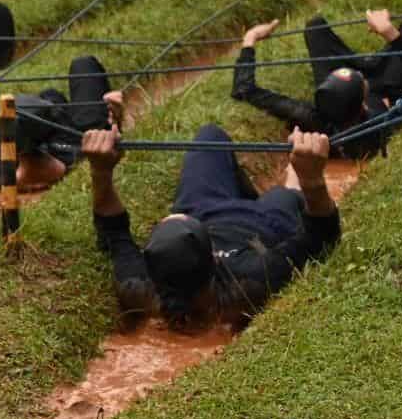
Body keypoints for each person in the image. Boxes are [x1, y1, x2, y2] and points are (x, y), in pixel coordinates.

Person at [82, 123, 338, 330]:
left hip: (203, 207)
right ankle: (298, 164)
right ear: (213, 258)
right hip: (263, 222)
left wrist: (100, 171)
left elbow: (114, 233)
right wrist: (311, 178)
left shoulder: (140, 288)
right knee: (288, 192)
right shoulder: (249, 280)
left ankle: (269, 180)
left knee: (210, 135)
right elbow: (320, 236)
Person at [230, 9, 402, 158]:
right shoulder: (390, 121)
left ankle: (371, 61)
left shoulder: (314, 117)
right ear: (362, 103)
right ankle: (387, 46)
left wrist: (250, 39)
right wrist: (388, 31)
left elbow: (245, 89)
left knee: (315, 27)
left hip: (352, 90)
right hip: (392, 85)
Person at [0, 56, 123, 189]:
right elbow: (110, 145)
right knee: (83, 64)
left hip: (54, 124)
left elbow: (2, 147)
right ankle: (49, 106)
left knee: (50, 95)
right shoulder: (85, 148)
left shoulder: (6, 169)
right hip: (83, 131)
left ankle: (48, 104)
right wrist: (116, 117)